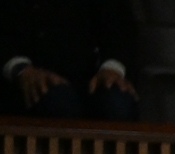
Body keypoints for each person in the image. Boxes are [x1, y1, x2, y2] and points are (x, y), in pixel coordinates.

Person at [1, 0, 139, 122]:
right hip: (24, 76)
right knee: (58, 103)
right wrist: (21, 69)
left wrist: (112, 68)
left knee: (118, 104)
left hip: (91, 77)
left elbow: (120, 27)